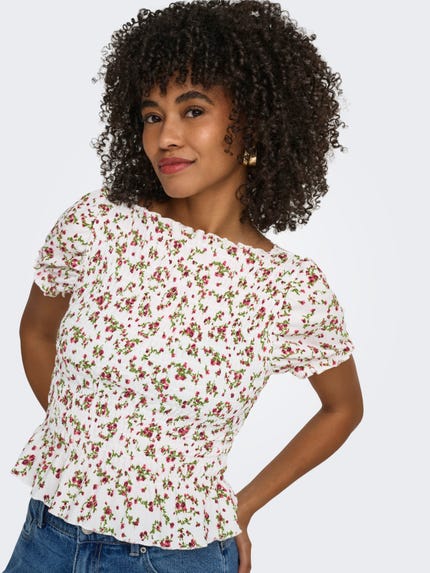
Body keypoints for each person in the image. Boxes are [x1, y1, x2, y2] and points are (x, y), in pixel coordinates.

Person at [3, 0, 363, 571]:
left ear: (254, 121)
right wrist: (89, 446)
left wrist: (242, 507)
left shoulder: (288, 288)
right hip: (46, 537)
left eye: (193, 110)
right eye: (152, 116)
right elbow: (36, 332)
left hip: (175, 557)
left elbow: (342, 408)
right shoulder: (98, 223)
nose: (166, 136)